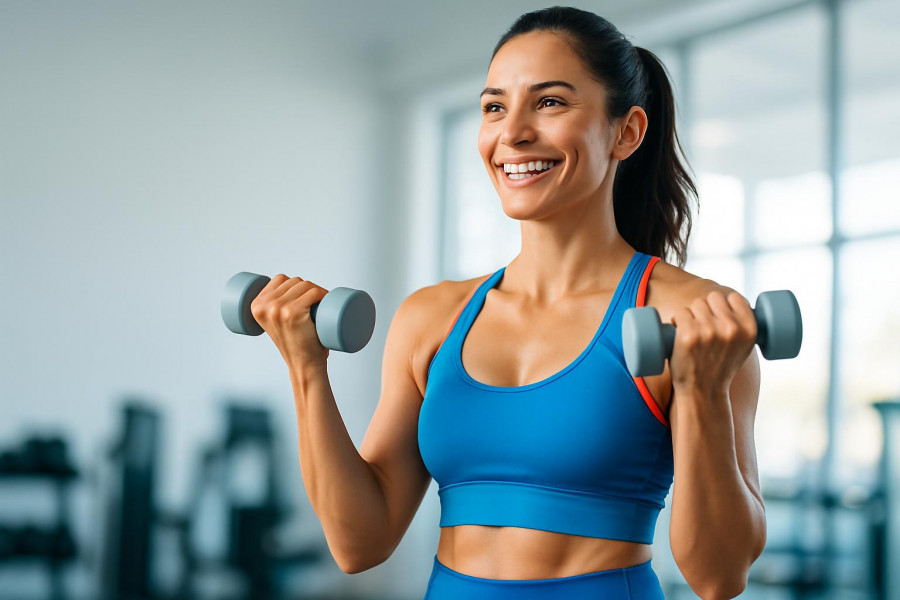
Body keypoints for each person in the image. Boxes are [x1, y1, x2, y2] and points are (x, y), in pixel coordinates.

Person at [249, 6, 766, 599]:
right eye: (494, 106)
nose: (511, 133)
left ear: (625, 132)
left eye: (549, 102)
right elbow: (359, 544)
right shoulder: (431, 318)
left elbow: (719, 577)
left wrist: (701, 391)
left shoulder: (694, 320)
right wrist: (306, 368)